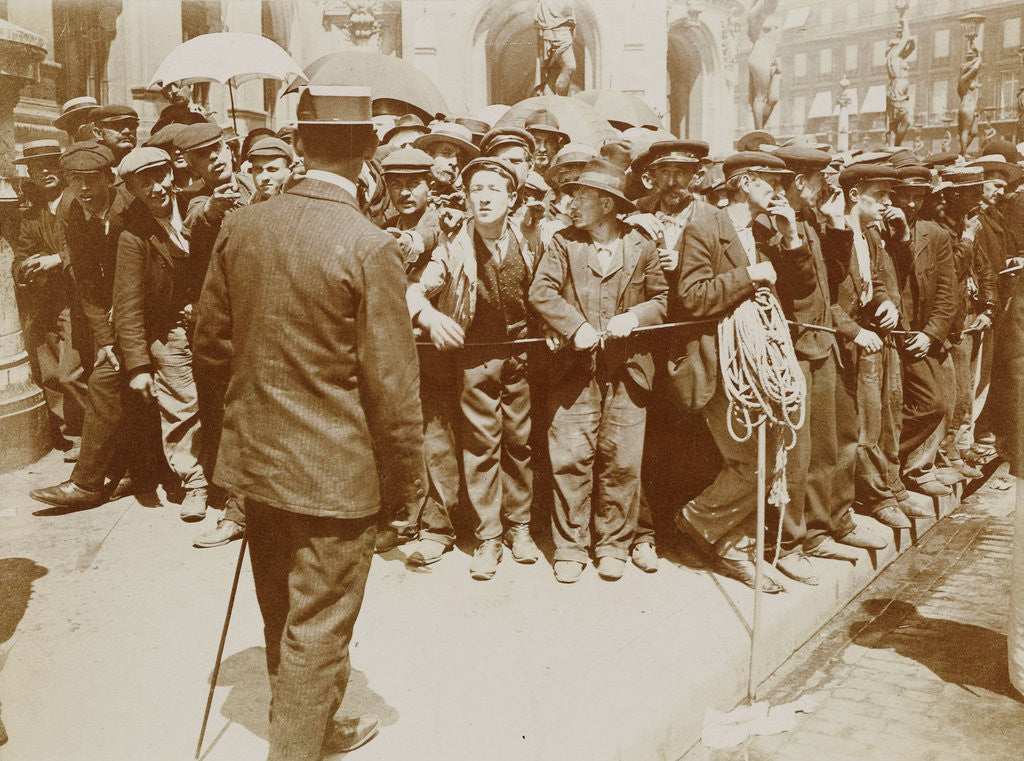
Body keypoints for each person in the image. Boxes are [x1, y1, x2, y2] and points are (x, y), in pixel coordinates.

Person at [193, 84, 426, 760]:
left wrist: (246, 424)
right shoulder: (370, 245)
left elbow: (210, 347)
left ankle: (313, 725)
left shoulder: (244, 224)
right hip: (335, 478)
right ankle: (297, 746)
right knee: (318, 629)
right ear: (369, 151)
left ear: (298, 144)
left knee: (283, 612)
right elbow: (392, 388)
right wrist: (407, 486)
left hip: (257, 467)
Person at [669, 151, 815, 592]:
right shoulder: (705, 226)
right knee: (753, 460)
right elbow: (693, 297)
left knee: (769, 456)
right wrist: (751, 275)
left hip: (764, 359)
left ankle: (735, 546)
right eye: (773, 181)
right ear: (746, 181)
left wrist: (791, 238)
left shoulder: (769, 229)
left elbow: (802, 290)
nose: (781, 190)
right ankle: (698, 523)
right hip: (721, 361)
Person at [530, 157, 668, 583]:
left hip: (628, 372)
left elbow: (662, 300)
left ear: (607, 204)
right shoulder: (563, 243)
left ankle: (613, 545)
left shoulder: (641, 245)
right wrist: (575, 327)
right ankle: (570, 547)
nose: (571, 204)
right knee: (570, 458)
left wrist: (635, 317)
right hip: (573, 371)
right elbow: (542, 292)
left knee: (622, 460)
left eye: (581, 196)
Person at [407, 157, 540, 579]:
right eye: (476, 190)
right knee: (482, 445)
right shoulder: (454, 245)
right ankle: (489, 536)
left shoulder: (531, 238)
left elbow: (553, 287)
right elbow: (413, 291)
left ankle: (520, 527)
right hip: (476, 358)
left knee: (519, 442)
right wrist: (430, 317)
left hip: (521, 354)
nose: (483, 198)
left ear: (512, 198)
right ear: (466, 198)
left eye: (493, 190)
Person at [770, 145, 889, 574]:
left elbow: (834, 280)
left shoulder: (810, 219)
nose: (827, 186)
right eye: (821, 179)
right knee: (797, 454)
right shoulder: (776, 225)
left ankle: (831, 523)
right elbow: (799, 287)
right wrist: (791, 237)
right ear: (800, 182)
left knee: (836, 440)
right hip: (796, 348)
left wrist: (836, 224)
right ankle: (793, 541)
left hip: (824, 343)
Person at [29, 142, 161, 509]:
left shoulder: (131, 207)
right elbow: (85, 280)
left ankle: (88, 483)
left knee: (105, 382)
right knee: (111, 376)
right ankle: (132, 471)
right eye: (75, 179)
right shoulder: (73, 211)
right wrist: (105, 338)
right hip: (116, 312)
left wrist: (126, 319)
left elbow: (153, 264)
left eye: (91, 179)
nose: (83, 188)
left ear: (108, 177)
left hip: (152, 304)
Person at [113, 147, 210, 521]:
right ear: (133, 190)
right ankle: (195, 482)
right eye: (145, 183)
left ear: (173, 174)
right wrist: (138, 366)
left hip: (212, 321)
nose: (157, 188)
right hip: (168, 329)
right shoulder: (132, 234)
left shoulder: (196, 206)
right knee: (182, 404)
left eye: (161, 176)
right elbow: (128, 305)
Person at [822, 163, 908, 530]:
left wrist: (886, 303)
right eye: (880, 195)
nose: (887, 202)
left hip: (870, 338)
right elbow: (825, 299)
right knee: (859, 426)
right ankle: (873, 497)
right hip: (842, 343)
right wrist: (854, 331)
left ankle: (888, 488)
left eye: (889, 195)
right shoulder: (831, 234)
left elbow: (878, 280)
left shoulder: (871, 233)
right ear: (854, 195)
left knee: (884, 413)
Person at [11, 140, 89, 456]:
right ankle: (72, 433)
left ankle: (96, 435)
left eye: (49, 165)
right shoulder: (34, 214)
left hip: (80, 300)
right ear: (30, 174)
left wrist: (56, 259)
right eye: (36, 168)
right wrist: (25, 267)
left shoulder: (78, 201)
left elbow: (91, 248)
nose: (44, 172)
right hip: (48, 299)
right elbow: (22, 254)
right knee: (48, 370)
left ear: (62, 167)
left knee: (71, 373)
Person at [886, 165, 958, 496]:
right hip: (887, 336)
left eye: (918, 197)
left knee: (935, 404)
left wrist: (930, 335)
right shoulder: (877, 232)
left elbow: (947, 294)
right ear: (892, 197)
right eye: (905, 197)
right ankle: (886, 471)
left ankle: (894, 462)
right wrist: (899, 237)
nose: (912, 204)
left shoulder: (936, 235)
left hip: (920, 338)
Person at [885, 15, 915, 148]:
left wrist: (911, 42)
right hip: (898, 91)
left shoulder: (898, 57)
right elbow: (906, 37)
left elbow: (911, 47)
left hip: (900, 91)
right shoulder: (894, 54)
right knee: (905, 120)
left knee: (899, 122)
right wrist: (905, 21)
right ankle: (896, 146)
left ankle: (895, 146)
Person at [525, 109, 569, 174]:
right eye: (536, 141)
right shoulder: (516, 175)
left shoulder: (563, 176)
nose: (542, 149)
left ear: (558, 146)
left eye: (550, 142)